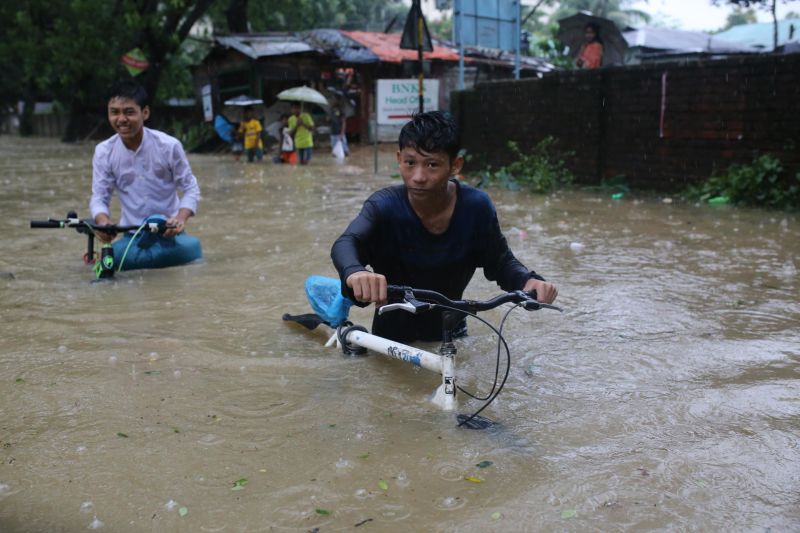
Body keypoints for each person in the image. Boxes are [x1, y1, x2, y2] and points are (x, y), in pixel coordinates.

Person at [331, 111, 557, 344]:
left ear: (455, 165)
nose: (418, 177)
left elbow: (500, 262)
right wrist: (355, 272)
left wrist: (528, 281)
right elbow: (347, 242)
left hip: (454, 335)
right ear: (399, 159)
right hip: (390, 340)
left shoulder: (476, 208)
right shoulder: (383, 206)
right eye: (410, 163)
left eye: (432, 165)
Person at [90, 79, 202, 270]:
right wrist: (103, 222)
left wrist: (180, 219)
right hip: (131, 235)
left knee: (193, 256)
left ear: (145, 113)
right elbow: (99, 197)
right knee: (107, 265)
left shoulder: (169, 146)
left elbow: (191, 189)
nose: (121, 119)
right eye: (114, 112)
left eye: (129, 112)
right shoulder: (103, 152)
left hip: (170, 234)